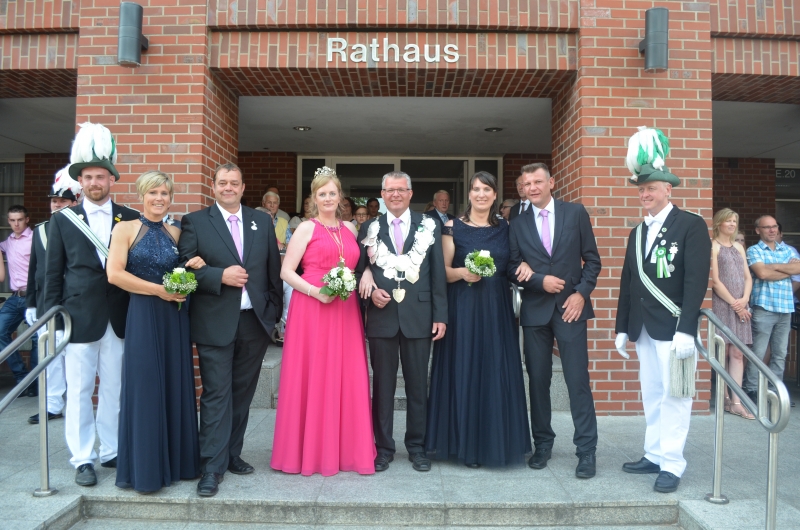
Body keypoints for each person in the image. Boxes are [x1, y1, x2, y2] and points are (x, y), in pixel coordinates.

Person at [42, 123, 140, 486]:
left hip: (119, 316)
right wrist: (51, 320)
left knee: (114, 387)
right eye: (88, 177)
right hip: (79, 318)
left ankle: (111, 449)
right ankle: (82, 457)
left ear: (111, 179)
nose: (94, 182)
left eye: (100, 176)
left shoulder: (130, 217)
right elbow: (52, 275)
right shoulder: (62, 221)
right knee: (80, 390)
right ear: (79, 182)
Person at [615, 126, 711, 494]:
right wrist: (622, 327)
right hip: (643, 328)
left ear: (668, 189)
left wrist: (687, 328)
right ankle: (654, 454)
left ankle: (672, 463)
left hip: (673, 329)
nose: (645, 195)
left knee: (676, 396)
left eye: (652, 189)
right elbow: (629, 282)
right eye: (641, 190)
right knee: (652, 393)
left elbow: (696, 282)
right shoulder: (637, 232)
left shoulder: (690, 225)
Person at [177, 162, 283, 497]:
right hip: (214, 323)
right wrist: (218, 275)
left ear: (242, 187)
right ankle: (211, 466)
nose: (228, 188)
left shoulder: (261, 221)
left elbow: (273, 270)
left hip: (254, 322)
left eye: (234, 183)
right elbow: (182, 270)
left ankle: (231, 454)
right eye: (222, 182)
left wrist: (273, 312)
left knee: (242, 394)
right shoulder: (195, 222)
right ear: (214, 186)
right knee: (216, 394)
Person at [271, 167, 376, 476]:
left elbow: (360, 264)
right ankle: (309, 451)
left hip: (345, 309)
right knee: (314, 372)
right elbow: (286, 271)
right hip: (312, 306)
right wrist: (316, 292)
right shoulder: (306, 228)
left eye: (333, 193)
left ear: (340, 196)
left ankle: (346, 449)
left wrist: (366, 274)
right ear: (314, 198)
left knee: (346, 374)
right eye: (322, 194)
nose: (328, 198)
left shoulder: (351, 229)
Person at [425, 171, 531, 467]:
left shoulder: (506, 227)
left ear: (495, 195)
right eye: (476, 189)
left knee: (494, 370)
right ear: (469, 194)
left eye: (487, 189)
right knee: (464, 369)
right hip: (463, 308)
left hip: (496, 309)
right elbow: (442, 272)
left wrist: (524, 264)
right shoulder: (452, 227)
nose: (481, 194)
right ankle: (465, 446)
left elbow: (512, 264)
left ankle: (493, 442)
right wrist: (462, 273)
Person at [107, 171, 204, 493]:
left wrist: (191, 270)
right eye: (153, 193)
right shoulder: (124, 229)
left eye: (164, 193)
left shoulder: (176, 233)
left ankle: (179, 464)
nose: (159, 198)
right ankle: (146, 470)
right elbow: (114, 274)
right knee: (146, 386)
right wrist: (158, 290)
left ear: (170, 197)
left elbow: (184, 270)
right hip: (143, 314)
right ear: (141, 195)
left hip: (174, 318)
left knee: (175, 383)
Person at [508, 162, 601, 479]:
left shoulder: (575, 213)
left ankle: (586, 450)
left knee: (577, 381)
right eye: (526, 184)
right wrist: (539, 281)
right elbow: (512, 267)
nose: (532, 188)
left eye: (537, 181)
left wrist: (581, 294)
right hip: (535, 311)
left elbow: (593, 261)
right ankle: (543, 444)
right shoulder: (517, 223)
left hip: (571, 309)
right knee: (538, 382)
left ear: (551, 182)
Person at [357, 171, 447, 472]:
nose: (395, 194)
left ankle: (417, 447)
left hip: (419, 316)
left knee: (418, 386)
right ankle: (383, 448)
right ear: (382, 195)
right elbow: (358, 269)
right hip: (381, 317)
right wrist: (370, 291)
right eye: (389, 190)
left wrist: (440, 315)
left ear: (410, 193)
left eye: (401, 189)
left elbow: (437, 272)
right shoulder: (369, 227)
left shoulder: (428, 224)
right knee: (382, 387)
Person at [25, 167, 80, 424]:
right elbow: (34, 269)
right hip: (47, 303)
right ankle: (53, 405)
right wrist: (30, 302)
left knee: (76, 359)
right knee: (50, 358)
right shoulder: (40, 230)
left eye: (62, 201)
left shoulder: (82, 228)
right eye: (54, 201)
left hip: (74, 303)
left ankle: (75, 406)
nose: (57, 205)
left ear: (74, 203)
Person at [744, 215, 800, 404]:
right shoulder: (754, 250)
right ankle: (751, 389)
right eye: (767, 227)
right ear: (758, 230)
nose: (772, 230)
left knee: (780, 354)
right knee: (758, 352)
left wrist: (773, 267)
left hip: (786, 307)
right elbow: (762, 273)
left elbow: (798, 269)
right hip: (764, 307)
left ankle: (775, 392)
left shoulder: (787, 249)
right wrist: (786, 269)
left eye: (774, 226)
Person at [710, 209, 754, 420]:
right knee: (723, 351)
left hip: (740, 305)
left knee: (737, 353)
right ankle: (724, 398)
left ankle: (736, 401)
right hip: (723, 304)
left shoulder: (738, 247)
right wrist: (736, 305)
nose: (732, 224)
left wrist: (744, 299)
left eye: (734, 221)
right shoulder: (713, 246)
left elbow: (747, 277)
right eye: (728, 220)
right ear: (719, 223)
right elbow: (715, 281)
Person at [0, 205, 38, 396]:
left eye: (20, 220)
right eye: (13, 220)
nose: (16, 224)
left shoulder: (35, 239)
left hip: (34, 295)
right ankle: (22, 378)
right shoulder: (7, 242)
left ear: (27, 220)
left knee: (38, 338)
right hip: (15, 298)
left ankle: (36, 383)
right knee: (0, 332)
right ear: (8, 221)